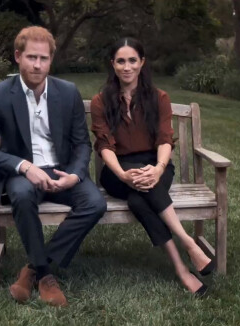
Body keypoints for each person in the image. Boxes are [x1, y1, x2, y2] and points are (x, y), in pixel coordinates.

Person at [0, 26, 106, 307]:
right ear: (18, 56)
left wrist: (75, 174)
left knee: (95, 203)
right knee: (20, 194)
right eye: (31, 57)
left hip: (62, 170)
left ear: (50, 60)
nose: (37, 64)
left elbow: (82, 143)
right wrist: (22, 166)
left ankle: (32, 267)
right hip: (23, 174)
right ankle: (45, 275)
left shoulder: (67, 92)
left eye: (43, 59)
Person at [90, 37, 214, 296]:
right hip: (117, 170)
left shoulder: (159, 98)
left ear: (142, 62)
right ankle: (188, 242)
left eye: (132, 60)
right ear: (112, 64)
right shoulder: (101, 101)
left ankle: (181, 268)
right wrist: (124, 175)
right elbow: (104, 146)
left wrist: (158, 168)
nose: (127, 67)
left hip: (155, 164)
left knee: (139, 199)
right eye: (121, 61)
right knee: (140, 189)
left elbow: (164, 138)